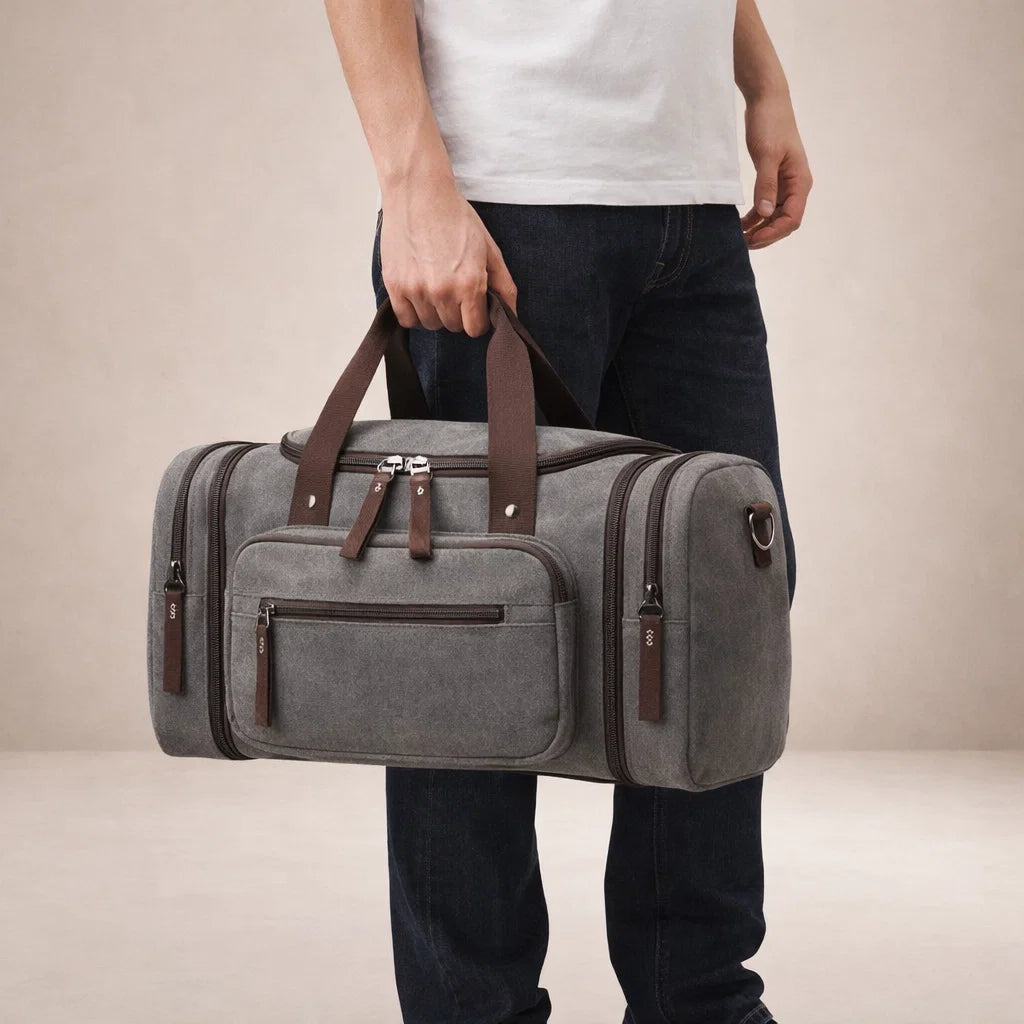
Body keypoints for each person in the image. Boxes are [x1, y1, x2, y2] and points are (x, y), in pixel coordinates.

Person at [324, 1, 810, 1021]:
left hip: (688, 201)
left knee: (719, 618)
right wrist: (413, 186)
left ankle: (699, 1005)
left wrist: (760, 82)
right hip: (507, 193)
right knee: (470, 631)